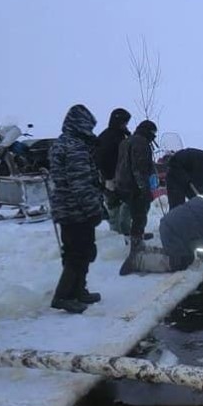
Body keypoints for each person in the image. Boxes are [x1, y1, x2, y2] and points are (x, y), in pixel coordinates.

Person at [47, 104, 106, 314]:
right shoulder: (74, 148)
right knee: (78, 253)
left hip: (68, 209)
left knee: (82, 251)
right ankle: (63, 296)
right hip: (76, 211)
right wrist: (93, 210)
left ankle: (79, 290)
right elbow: (80, 183)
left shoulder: (64, 144)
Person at [114, 119, 159, 257]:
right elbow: (139, 168)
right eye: (153, 133)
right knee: (139, 215)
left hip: (122, 184)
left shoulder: (126, 141)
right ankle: (137, 246)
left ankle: (133, 238)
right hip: (134, 186)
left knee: (131, 212)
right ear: (149, 131)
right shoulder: (141, 143)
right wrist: (144, 189)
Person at [94, 107, 132, 235]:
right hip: (110, 179)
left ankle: (127, 233)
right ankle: (116, 237)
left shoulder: (122, 135)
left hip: (122, 178)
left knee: (125, 207)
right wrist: (108, 178)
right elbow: (100, 158)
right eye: (124, 122)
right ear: (118, 121)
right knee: (114, 210)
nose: (126, 125)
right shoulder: (107, 137)